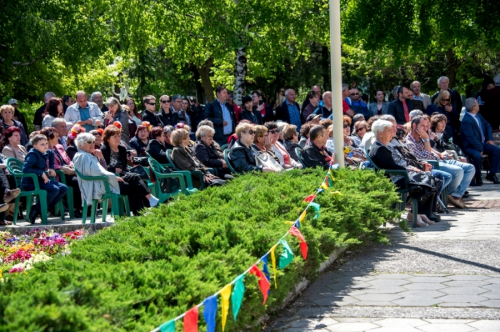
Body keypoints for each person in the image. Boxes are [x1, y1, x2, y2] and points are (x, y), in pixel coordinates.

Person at [369, 120, 439, 226]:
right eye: (389, 130)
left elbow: (402, 161)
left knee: (433, 180)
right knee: (424, 184)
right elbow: (392, 167)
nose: (392, 131)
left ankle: (421, 213)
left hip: (403, 175)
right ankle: (415, 213)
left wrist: (414, 168)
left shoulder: (386, 146)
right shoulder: (379, 149)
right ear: (380, 133)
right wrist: (411, 169)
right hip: (396, 178)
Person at [73, 133, 158, 216]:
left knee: (134, 177)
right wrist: (113, 177)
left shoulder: (88, 155)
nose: (92, 144)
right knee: (133, 185)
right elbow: (96, 172)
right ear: (80, 144)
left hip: (104, 181)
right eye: (89, 142)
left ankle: (142, 208)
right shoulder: (83, 156)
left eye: (93, 142)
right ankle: (141, 211)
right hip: (100, 185)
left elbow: (102, 170)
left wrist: (101, 158)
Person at [406, 115, 475, 208]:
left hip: (440, 159)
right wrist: (427, 139)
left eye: (427, 126)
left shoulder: (421, 137)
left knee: (470, 168)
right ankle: (448, 194)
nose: (426, 128)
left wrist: (440, 154)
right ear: (414, 126)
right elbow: (426, 157)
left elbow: (431, 150)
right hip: (433, 164)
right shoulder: (411, 142)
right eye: (423, 126)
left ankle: (455, 195)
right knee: (458, 171)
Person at [100, 126, 158, 213]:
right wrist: (114, 170)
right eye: (114, 137)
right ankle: (147, 202)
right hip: (112, 178)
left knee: (138, 181)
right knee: (135, 184)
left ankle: (140, 212)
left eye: (119, 136)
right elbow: (102, 167)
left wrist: (127, 170)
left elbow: (124, 166)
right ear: (108, 139)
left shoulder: (122, 149)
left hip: (123, 175)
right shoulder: (104, 149)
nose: (117, 138)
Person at [22, 134, 68, 224]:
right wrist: (41, 172)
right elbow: (25, 169)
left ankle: (42, 208)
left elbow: (51, 154)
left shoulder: (46, 152)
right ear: (35, 146)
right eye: (42, 144)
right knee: (54, 189)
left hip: (42, 181)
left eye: (46, 143)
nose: (45, 146)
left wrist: (51, 167)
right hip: (31, 183)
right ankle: (36, 209)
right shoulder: (33, 155)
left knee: (63, 188)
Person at [40, 127, 83, 218]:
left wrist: (72, 166)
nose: (58, 137)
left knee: (83, 179)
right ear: (49, 137)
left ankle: (87, 207)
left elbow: (67, 159)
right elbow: (47, 165)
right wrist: (62, 168)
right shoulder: (44, 148)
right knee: (77, 181)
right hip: (57, 175)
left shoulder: (59, 147)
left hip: (68, 172)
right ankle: (76, 209)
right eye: (56, 136)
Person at [461, 97, 500, 185]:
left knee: (497, 150)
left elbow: (488, 125)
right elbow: (470, 137)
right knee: (477, 155)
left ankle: (492, 174)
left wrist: (489, 138)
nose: (479, 105)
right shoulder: (466, 120)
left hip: (481, 144)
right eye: (477, 104)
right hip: (470, 146)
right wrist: (480, 148)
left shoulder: (478, 115)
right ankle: (477, 177)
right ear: (474, 107)